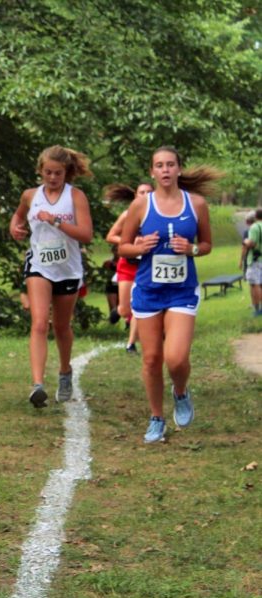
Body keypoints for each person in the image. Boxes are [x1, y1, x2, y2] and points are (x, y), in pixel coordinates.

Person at [118, 146, 220, 443]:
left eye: (170, 165)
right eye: (159, 165)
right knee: (151, 359)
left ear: (178, 169)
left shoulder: (197, 204)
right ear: (152, 171)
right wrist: (140, 247)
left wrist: (193, 249)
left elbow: (208, 244)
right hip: (149, 290)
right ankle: (156, 418)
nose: (164, 170)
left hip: (181, 292)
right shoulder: (141, 206)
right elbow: (123, 247)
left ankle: (180, 391)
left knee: (175, 359)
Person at [9, 145, 94, 407]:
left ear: (66, 173)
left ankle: (65, 371)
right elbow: (18, 217)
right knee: (38, 323)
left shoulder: (75, 196)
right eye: (48, 172)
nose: (53, 178)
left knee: (61, 326)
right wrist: (15, 227)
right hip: (39, 266)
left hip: (67, 268)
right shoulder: (30, 196)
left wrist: (56, 221)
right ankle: (37, 385)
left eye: (58, 173)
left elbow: (86, 235)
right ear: (40, 171)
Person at [105, 182, 155, 353]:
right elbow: (111, 236)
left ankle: (131, 343)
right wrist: (130, 242)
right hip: (128, 264)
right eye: (142, 192)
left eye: (149, 192)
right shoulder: (128, 215)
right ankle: (118, 310)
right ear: (136, 196)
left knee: (139, 305)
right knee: (126, 308)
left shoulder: (159, 215)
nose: (145, 195)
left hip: (147, 265)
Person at [244, 207, 262, 316]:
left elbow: (252, 243)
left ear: (255, 216)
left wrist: (246, 241)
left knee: (254, 284)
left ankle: (257, 309)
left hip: (255, 260)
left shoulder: (255, 227)